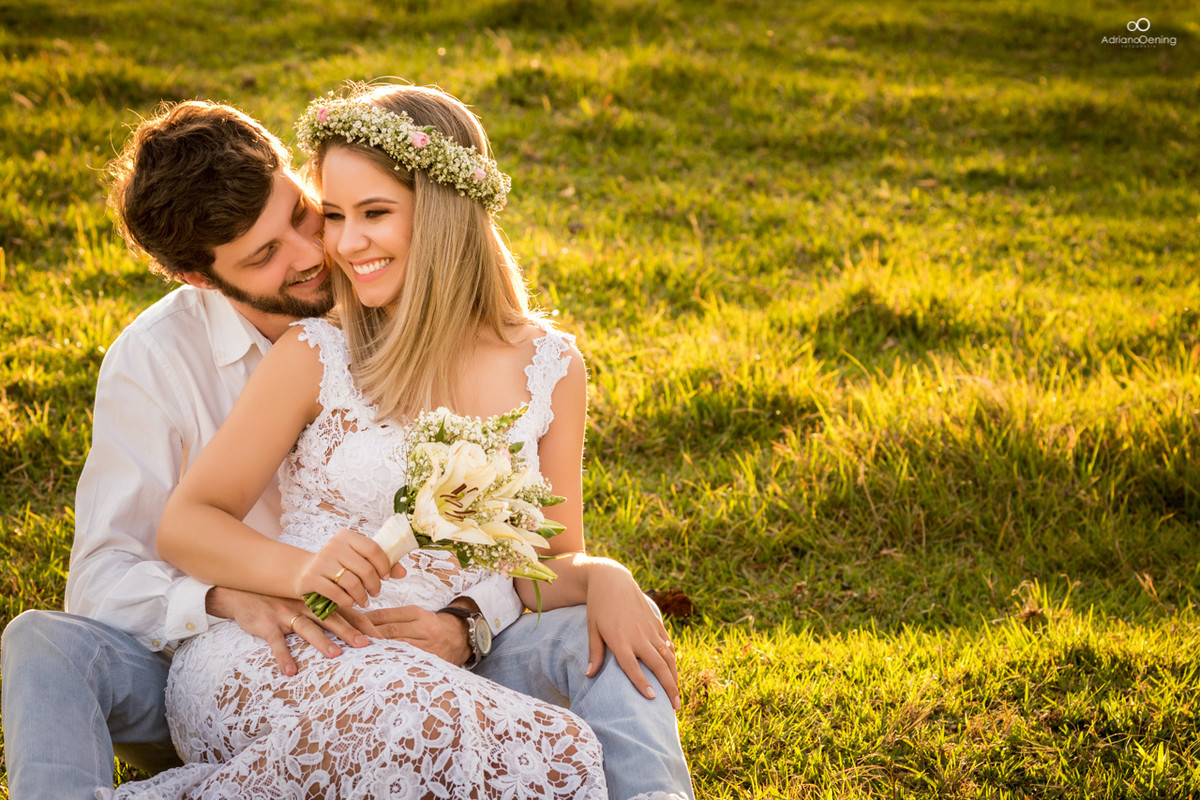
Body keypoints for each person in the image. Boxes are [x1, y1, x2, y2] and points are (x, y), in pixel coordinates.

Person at [0, 93, 692, 798]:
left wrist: (554, 591)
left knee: (591, 646)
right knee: (415, 711)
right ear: (202, 277)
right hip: (278, 648)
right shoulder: (245, 354)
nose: (324, 251)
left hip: (438, 649)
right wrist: (249, 589)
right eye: (273, 250)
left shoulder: (542, 362)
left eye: (311, 213)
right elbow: (148, 547)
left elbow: (545, 561)